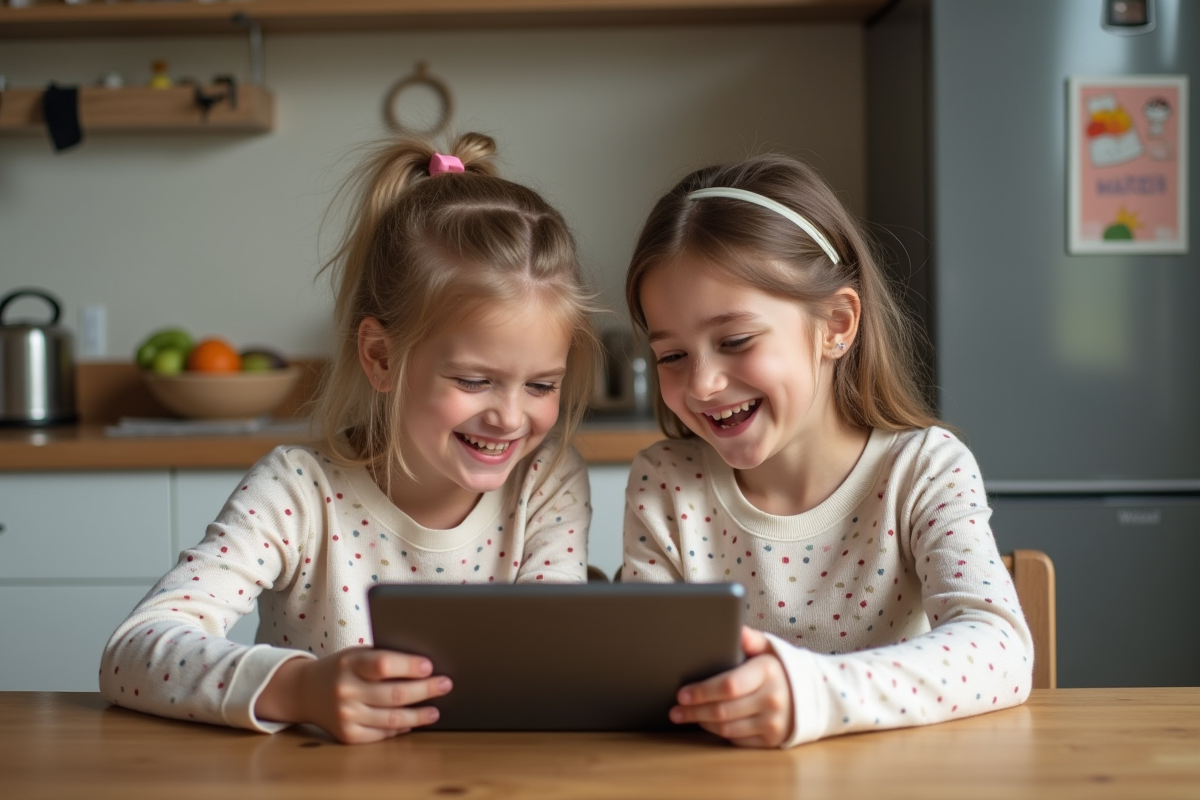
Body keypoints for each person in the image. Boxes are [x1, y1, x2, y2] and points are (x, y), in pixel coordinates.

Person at [100, 133, 601, 744]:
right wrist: (300, 688)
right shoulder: (298, 491)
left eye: (542, 385)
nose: (511, 418)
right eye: (474, 381)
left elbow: (548, 652)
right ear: (381, 357)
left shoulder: (546, 480)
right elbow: (133, 651)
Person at [622, 154, 1033, 748]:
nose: (702, 385)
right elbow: (646, 676)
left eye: (735, 340)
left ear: (837, 325)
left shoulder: (923, 471)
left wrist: (813, 694)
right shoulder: (665, 483)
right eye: (672, 356)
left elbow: (1000, 650)